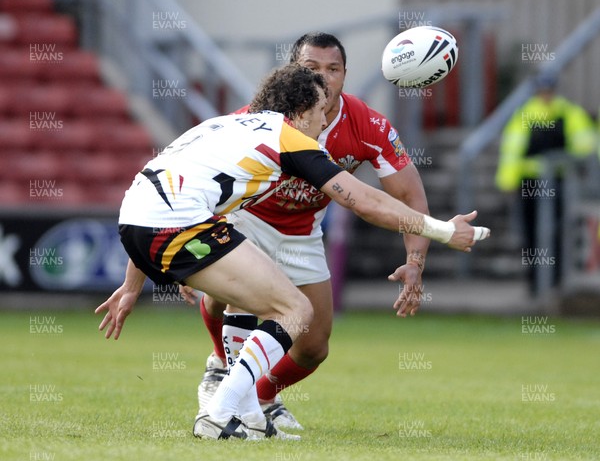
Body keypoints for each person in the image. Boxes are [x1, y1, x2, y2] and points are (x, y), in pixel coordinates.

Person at [96, 64, 490, 441]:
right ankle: (217, 413)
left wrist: (133, 284)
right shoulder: (290, 138)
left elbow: (158, 194)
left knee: (254, 302)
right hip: (176, 224)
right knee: (295, 310)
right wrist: (441, 230)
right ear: (299, 113)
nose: (324, 122)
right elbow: (367, 202)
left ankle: (248, 414)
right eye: (320, 112)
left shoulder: (226, 124)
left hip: (137, 218)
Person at [191, 32, 447, 430]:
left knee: (313, 345)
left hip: (302, 234)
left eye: (334, 69)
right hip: (247, 219)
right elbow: (205, 179)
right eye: (312, 69)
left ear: (346, 75)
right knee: (225, 296)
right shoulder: (257, 117)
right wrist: (188, 251)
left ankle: (261, 397)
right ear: (294, 72)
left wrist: (415, 261)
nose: (325, 79)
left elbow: (410, 199)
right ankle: (221, 371)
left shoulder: (369, 125)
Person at [496, 73, 596, 294]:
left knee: (559, 231)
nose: (546, 96)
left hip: (559, 184)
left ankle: (556, 280)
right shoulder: (524, 116)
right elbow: (511, 153)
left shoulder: (569, 113)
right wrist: (508, 182)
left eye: (548, 91)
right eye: (542, 91)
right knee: (531, 234)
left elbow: (585, 146)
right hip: (529, 185)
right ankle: (535, 281)